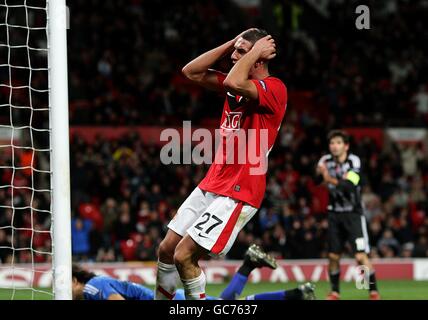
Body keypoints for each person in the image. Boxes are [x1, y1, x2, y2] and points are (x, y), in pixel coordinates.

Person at [155, 27, 288, 300]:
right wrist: (233, 42)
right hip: (214, 181)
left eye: (240, 52)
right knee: (166, 249)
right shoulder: (236, 82)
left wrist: (250, 55)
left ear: (258, 58)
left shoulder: (274, 88)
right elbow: (190, 71)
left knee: (184, 255)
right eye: (234, 51)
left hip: (241, 188)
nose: (232, 56)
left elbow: (233, 83)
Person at [72, 244, 315, 300]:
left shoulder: (92, 287)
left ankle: (250, 265)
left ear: (74, 281)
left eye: (62, 286)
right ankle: (297, 293)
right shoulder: (95, 285)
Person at [316, 130, 380, 300]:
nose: (334, 146)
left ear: (346, 146)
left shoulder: (354, 161)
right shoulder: (325, 161)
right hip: (334, 214)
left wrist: (327, 177)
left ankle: (372, 291)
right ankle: (335, 292)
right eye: (331, 143)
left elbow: (349, 186)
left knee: (360, 256)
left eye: (338, 143)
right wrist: (320, 175)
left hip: (353, 214)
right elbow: (316, 180)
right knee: (333, 256)